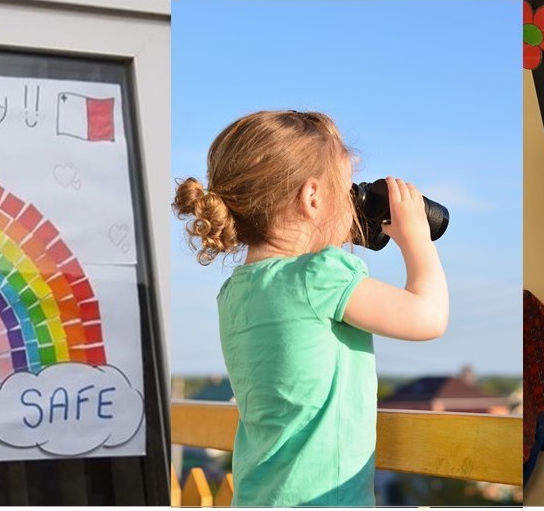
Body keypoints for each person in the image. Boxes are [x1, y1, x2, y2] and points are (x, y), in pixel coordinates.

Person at [170, 110, 449, 506]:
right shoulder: (319, 277)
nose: (353, 206)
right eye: (347, 191)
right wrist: (416, 237)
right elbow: (429, 316)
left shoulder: (236, 291)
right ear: (313, 197)